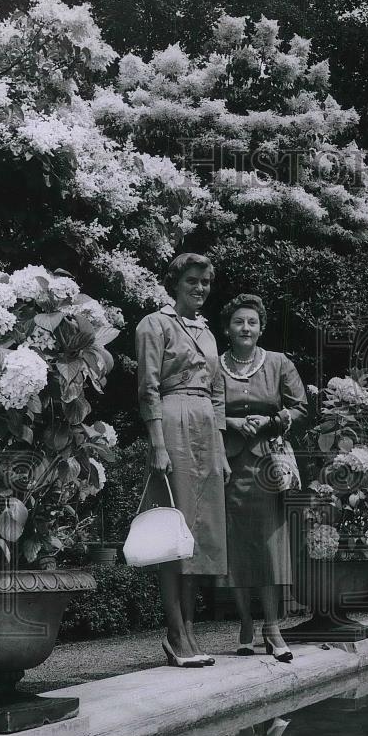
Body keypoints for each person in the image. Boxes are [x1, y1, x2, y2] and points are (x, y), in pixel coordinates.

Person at [135, 253, 230, 668]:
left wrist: (222, 450)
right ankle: (175, 632)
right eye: (192, 280)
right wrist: (158, 443)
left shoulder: (207, 332)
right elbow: (148, 387)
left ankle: (190, 630)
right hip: (173, 422)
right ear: (175, 282)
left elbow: (219, 391)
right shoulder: (154, 324)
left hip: (206, 429)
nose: (200, 288)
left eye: (206, 282)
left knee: (198, 534)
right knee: (175, 529)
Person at [217, 294, 307, 662]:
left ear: (261, 327)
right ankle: (245, 624)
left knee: (269, 548)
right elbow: (204, 406)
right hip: (228, 464)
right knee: (237, 547)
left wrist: (271, 421)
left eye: (252, 322)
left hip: (269, 467)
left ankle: (272, 626)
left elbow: (301, 407)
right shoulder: (214, 366)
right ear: (227, 328)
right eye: (239, 322)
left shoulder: (279, 363)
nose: (245, 328)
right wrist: (231, 422)